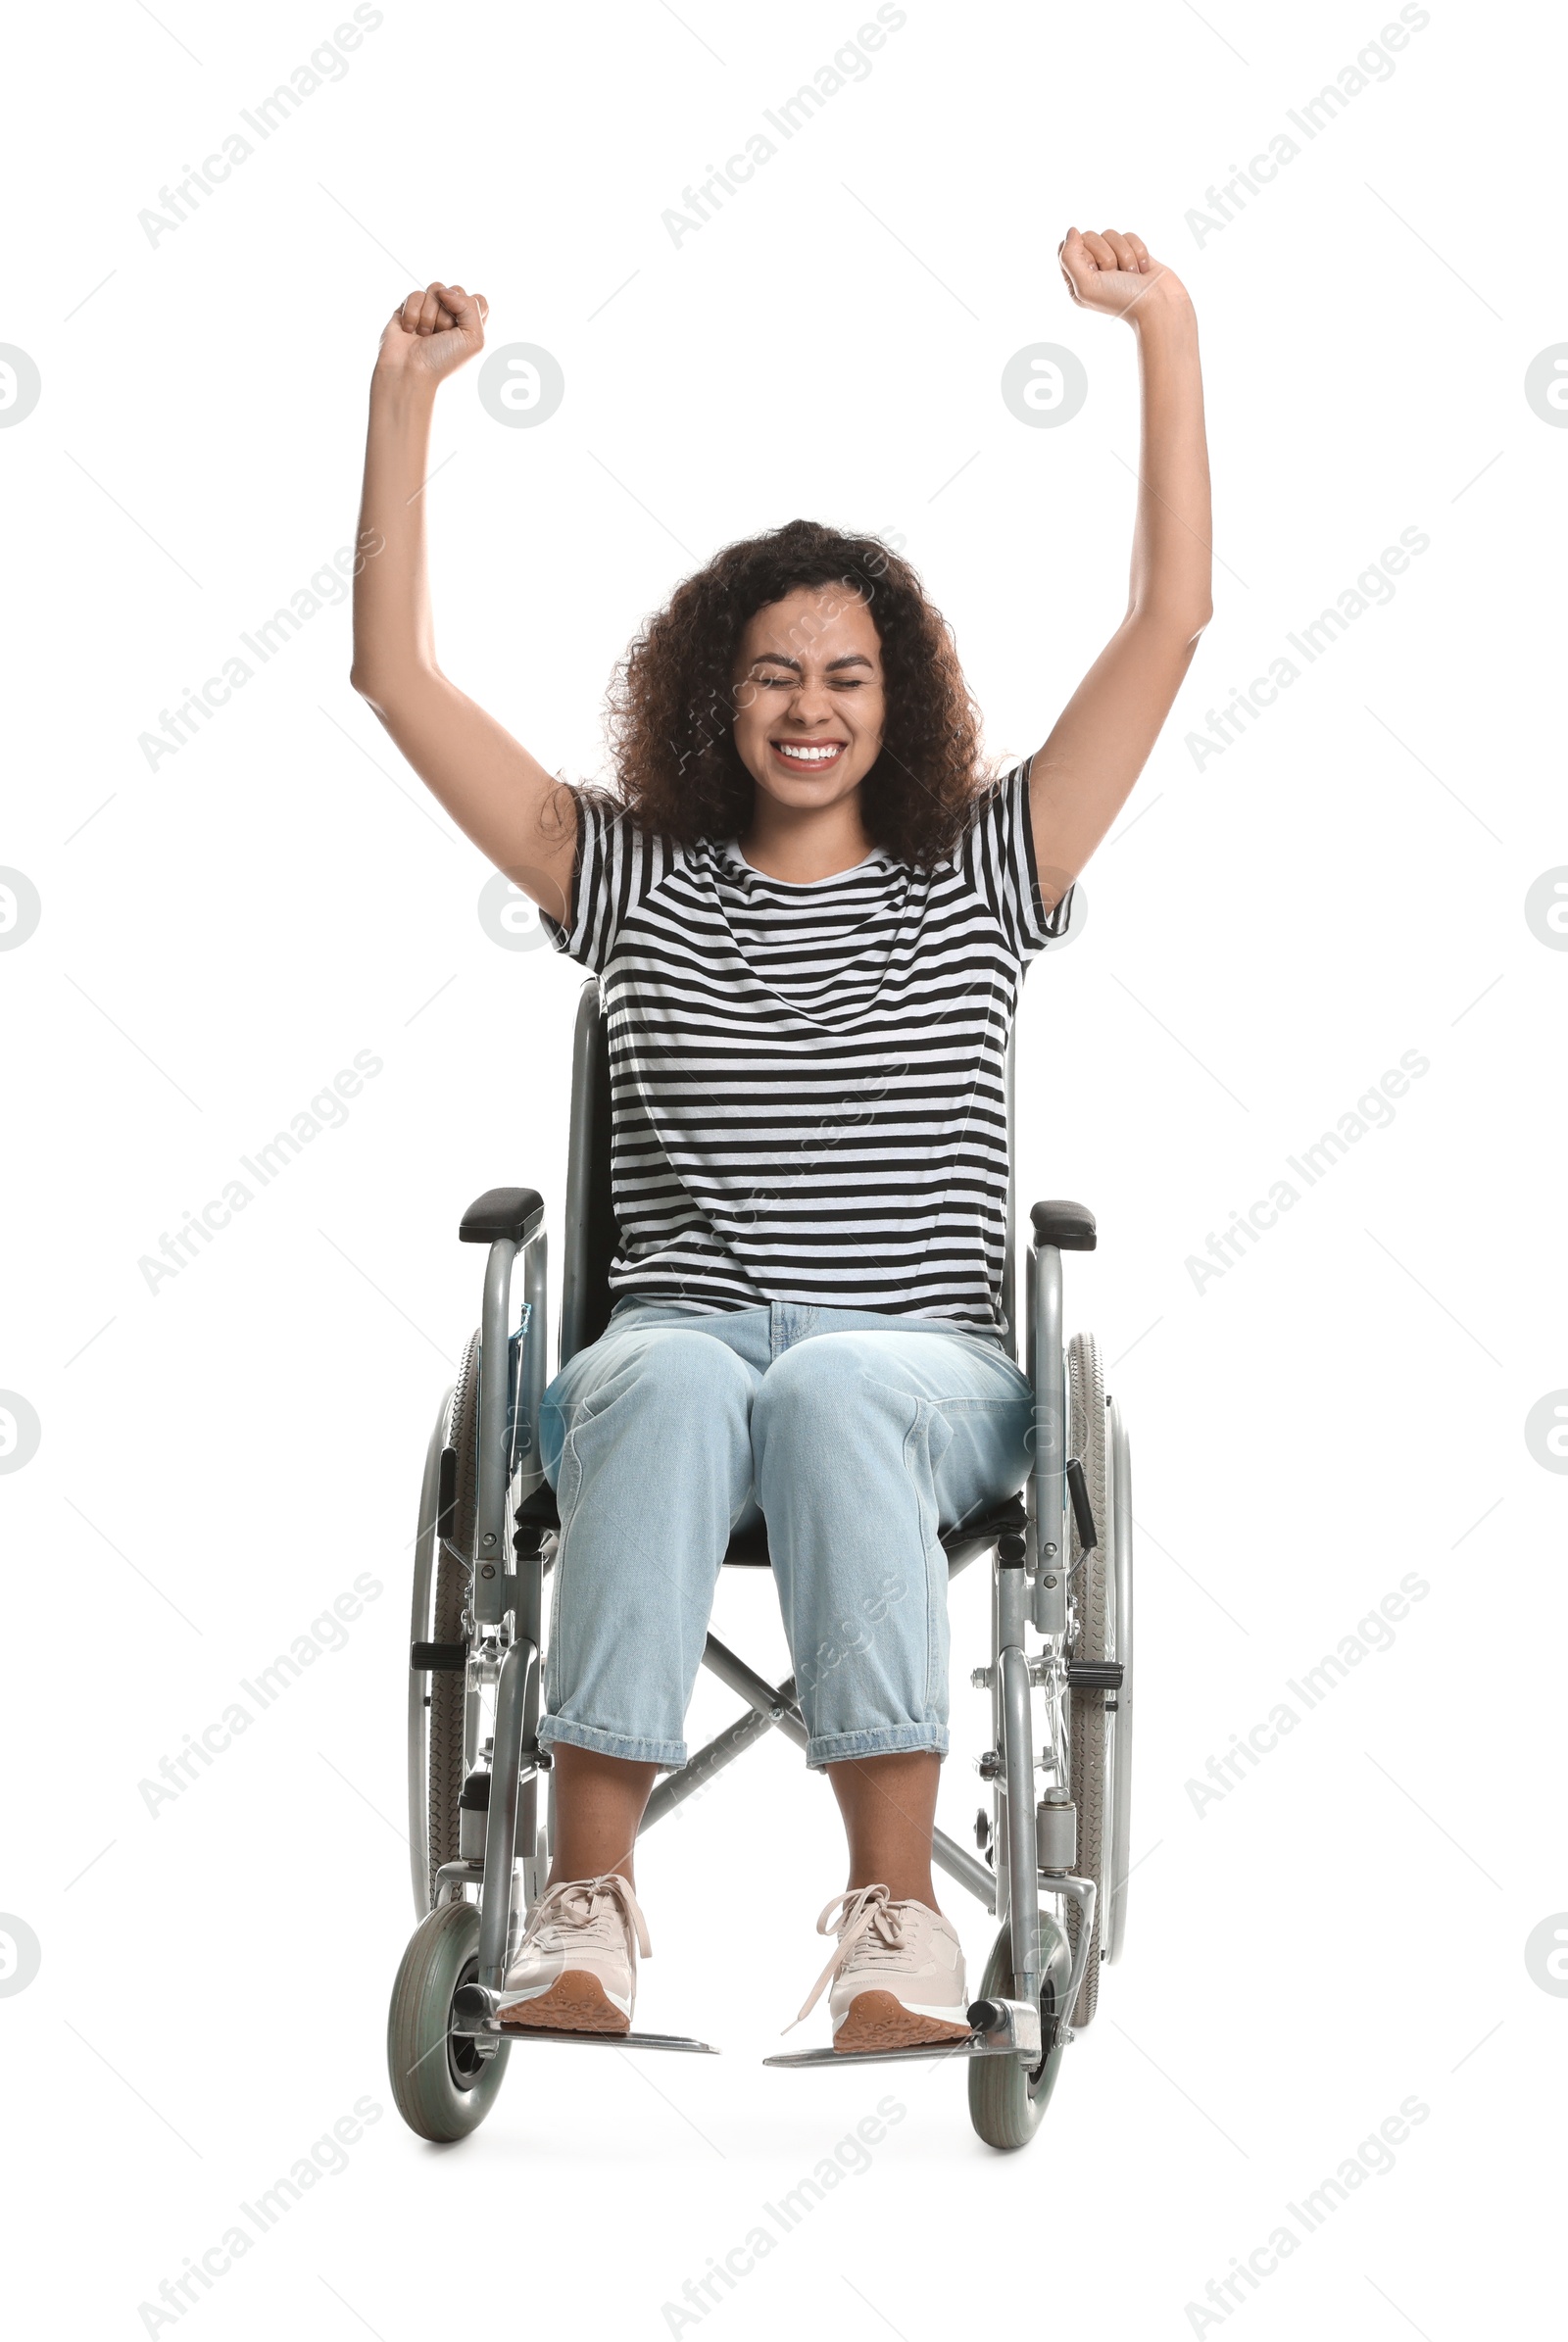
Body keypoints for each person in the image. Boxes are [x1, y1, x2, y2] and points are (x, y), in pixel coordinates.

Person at [350, 227, 1210, 2049]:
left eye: (847, 674)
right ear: (709, 696)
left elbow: (1170, 623)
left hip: (915, 1369)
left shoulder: (982, 874)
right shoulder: (634, 887)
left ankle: (896, 1923)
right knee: (656, 1378)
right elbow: (396, 681)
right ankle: (585, 1912)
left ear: (899, 702)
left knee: (823, 1389)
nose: (810, 706)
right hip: (680, 1355)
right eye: (772, 674)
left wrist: (1167, 337)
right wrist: (402, 406)